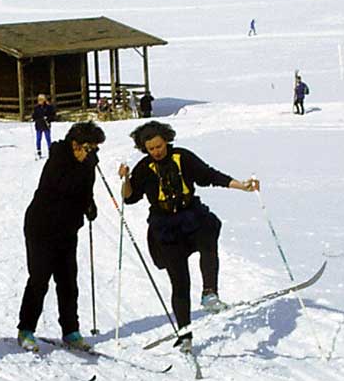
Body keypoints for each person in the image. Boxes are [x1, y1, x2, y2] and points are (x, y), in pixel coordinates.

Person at [118, 121, 259, 353]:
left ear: (166, 140)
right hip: (164, 227)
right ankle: (185, 335)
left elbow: (209, 175)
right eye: (151, 148)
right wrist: (125, 179)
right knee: (180, 282)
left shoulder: (182, 157)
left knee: (208, 236)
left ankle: (209, 294)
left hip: (190, 215)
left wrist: (241, 186)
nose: (157, 151)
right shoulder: (144, 168)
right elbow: (129, 198)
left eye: (159, 146)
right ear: (145, 149)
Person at [17, 121, 106, 353]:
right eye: (90, 148)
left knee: (68, 282)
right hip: (42, 227)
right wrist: (83, 191)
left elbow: (85, 190)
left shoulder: (86, 165)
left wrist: (90, 205)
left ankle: (71, 331)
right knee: (39, 280)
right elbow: (65, 188)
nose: (93, 153)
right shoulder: (58, 159)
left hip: (67, 229)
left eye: (96, 149)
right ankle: (26, 330)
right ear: (76, 145)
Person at [32, 94, 56, 158]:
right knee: (38, 139)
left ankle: (50, 151)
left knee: (48, 139)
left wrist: (48, 118)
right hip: (39, 125)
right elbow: (34, 115)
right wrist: (34, 117)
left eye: (41, 100)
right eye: (39, 100)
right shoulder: (36, 108)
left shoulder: (48, 107)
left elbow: (53, 115)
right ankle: (39, 150)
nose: (40, 101)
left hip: (46, 125)